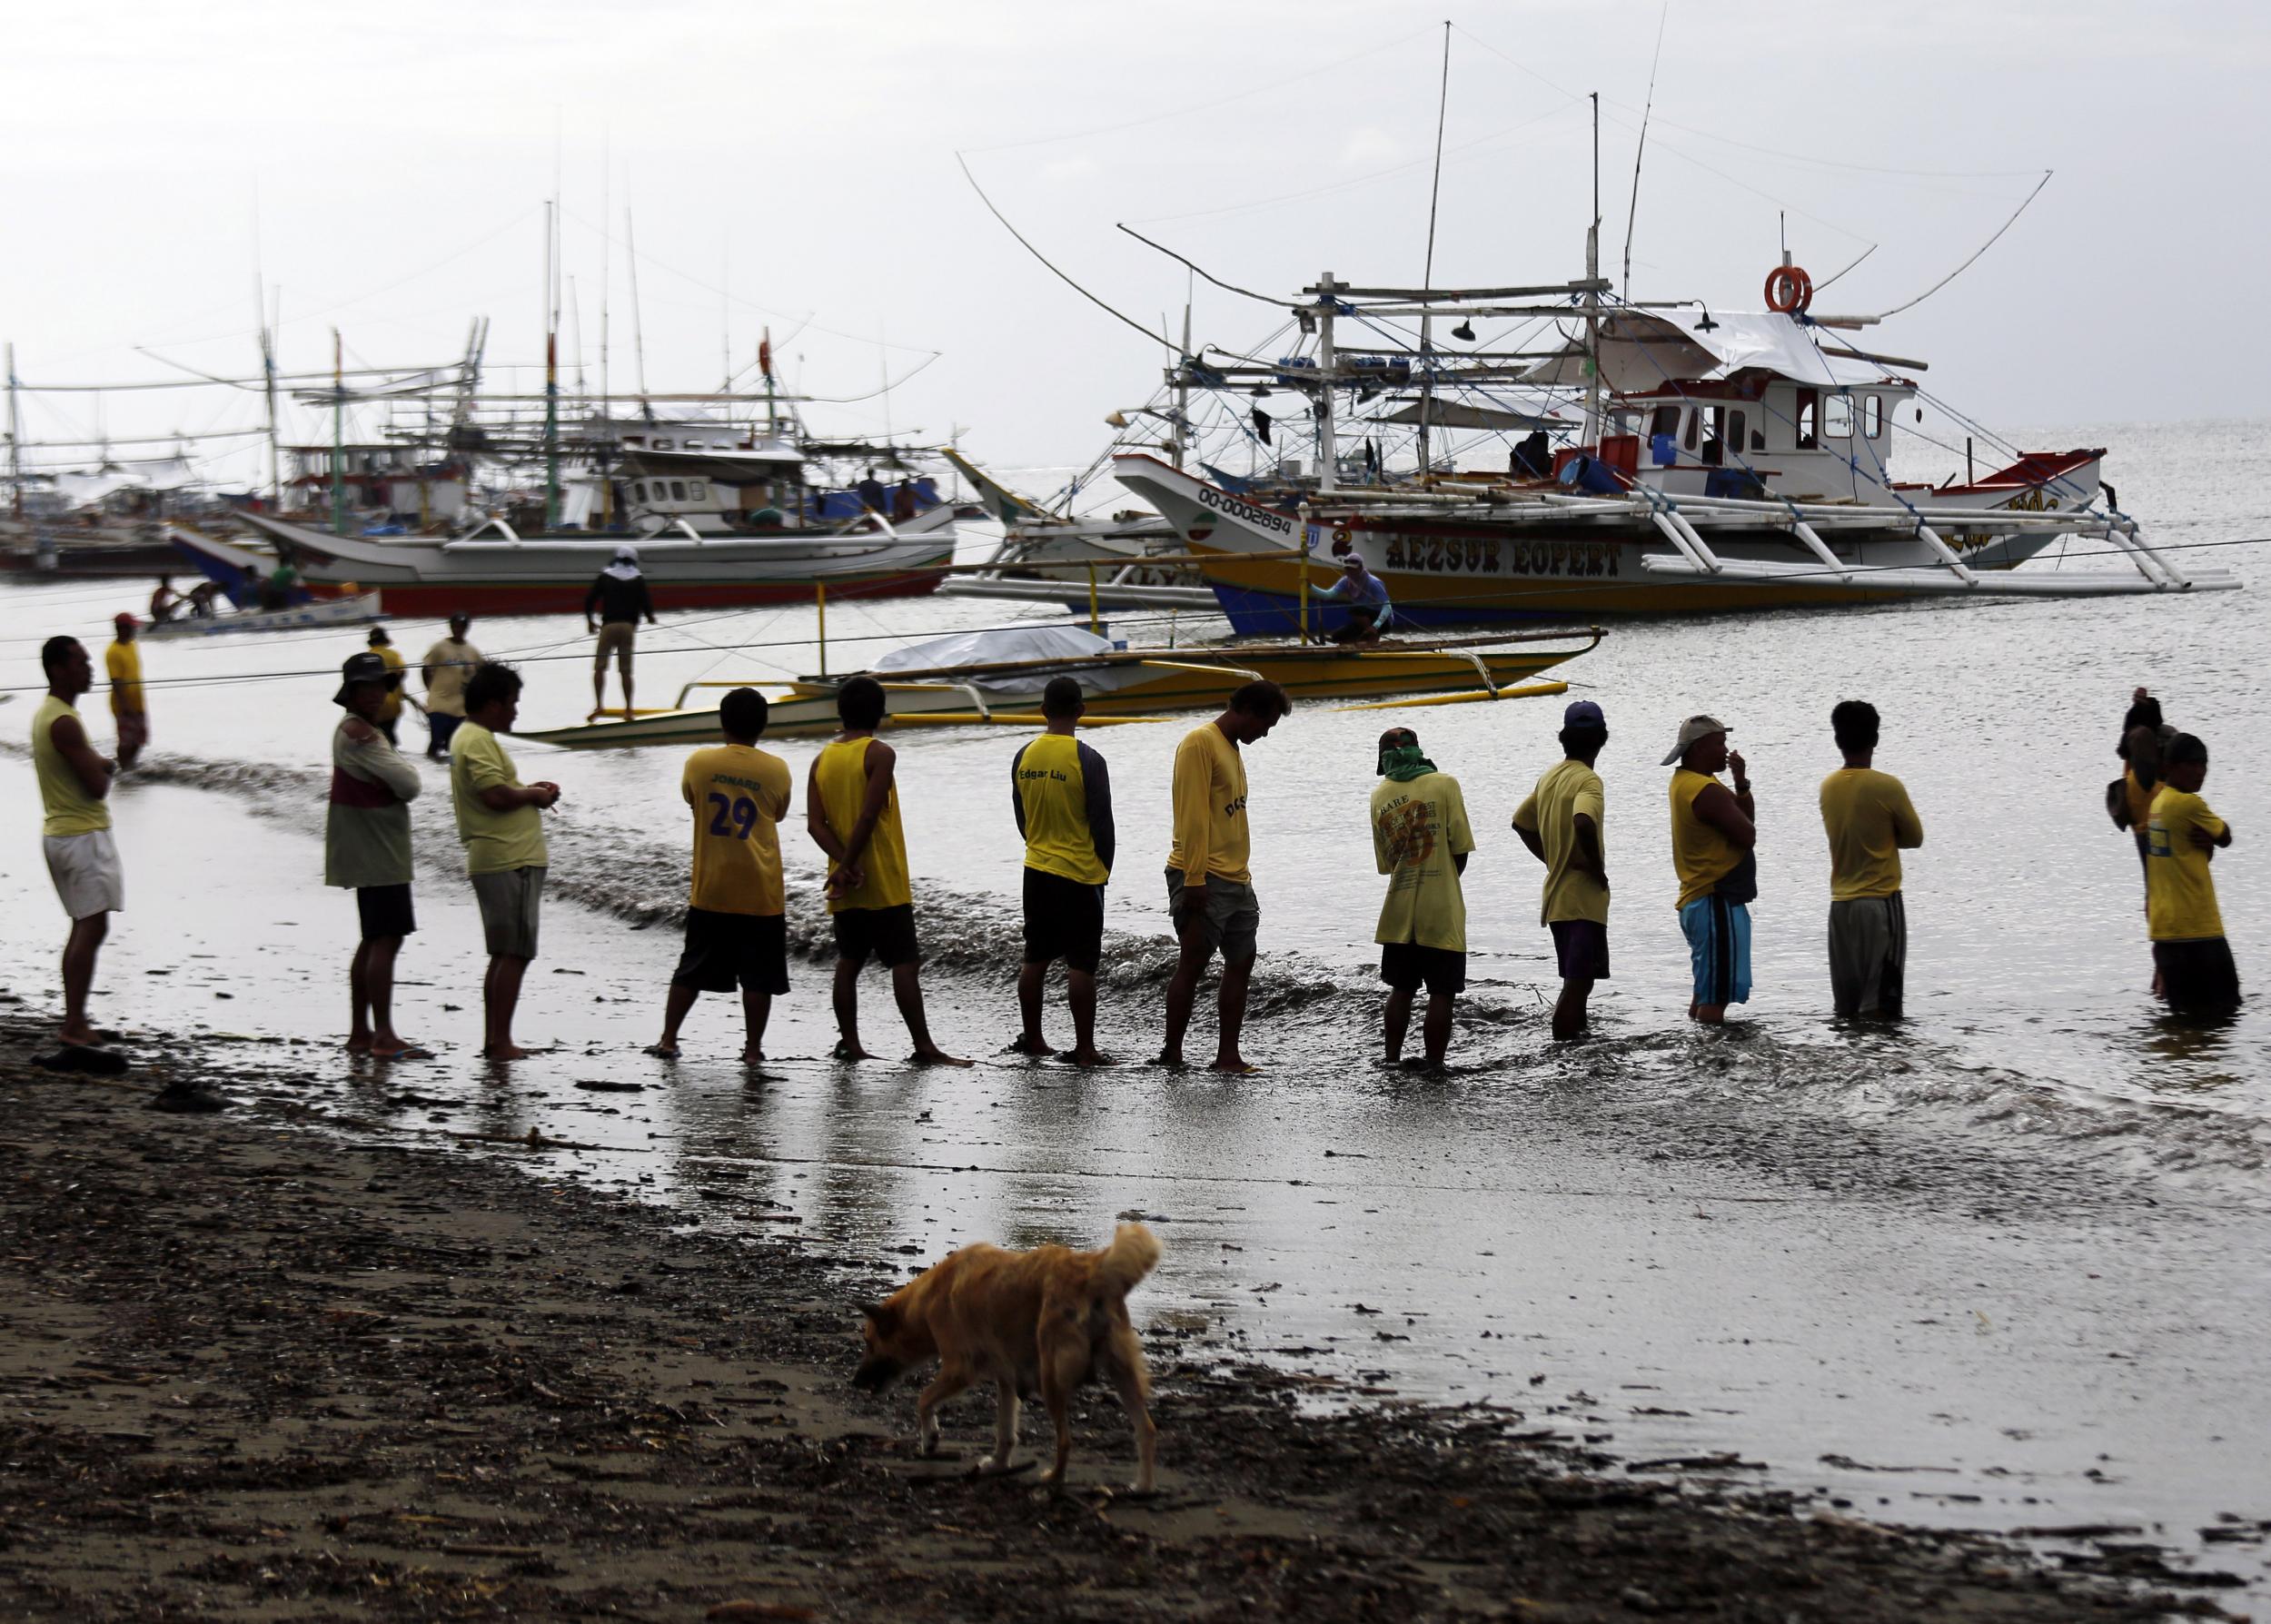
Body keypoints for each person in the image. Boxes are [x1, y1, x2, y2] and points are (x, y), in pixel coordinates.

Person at [806, 676, 967, 1065]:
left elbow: (815, 825)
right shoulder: (880, 753)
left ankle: (850, 1044)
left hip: (844, 883)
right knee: (904, 962)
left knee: (849, 961)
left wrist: (841, 867)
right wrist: (851, 864)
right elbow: (869, 813)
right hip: (880, 878)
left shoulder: (821, 758)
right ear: (880, 712)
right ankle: (924, 1047)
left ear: (840, 712)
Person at [652, 688, 794, 1065]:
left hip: (712, 886)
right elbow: (778, 813)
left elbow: (691, 798)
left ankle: (668, 1039)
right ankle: (752, 1049)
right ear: (763, 724)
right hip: (760, 889)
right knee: (758, 977)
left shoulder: (699, 762)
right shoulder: (776, 768)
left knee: (692, 967)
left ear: (722, 721)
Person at [1160, 679, 1292, 1072]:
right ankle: (1173, 1052)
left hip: (1237, 878)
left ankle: (1228, 1056)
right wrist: (1195, 878)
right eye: (1265, 724)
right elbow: (1193, 816)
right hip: (1202, 876)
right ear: (1247, 710)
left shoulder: (1232, 748)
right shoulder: (1199, 743)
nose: (1265, 733)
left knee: (1242, 960)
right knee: (1193, 962)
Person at [450, 662, 561, 1060]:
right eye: (513, 702)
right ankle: (500, 1042)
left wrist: (528, 789)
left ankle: (496, 1039)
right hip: (508, 857)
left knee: (504, 953)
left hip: (495, 855)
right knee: (514, 953)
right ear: (494, 703)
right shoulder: (477, 738)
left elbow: (495, 789)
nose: (516, 711)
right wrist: (533, 796)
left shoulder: (468, 736)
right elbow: (493, 796)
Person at [326, 651, 429, 1060]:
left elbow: (399, 783)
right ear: (351, 692)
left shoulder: (357, 729)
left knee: (373, 939)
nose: (375, 694)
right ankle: (383, 1034)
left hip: (367, 846)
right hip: (377, 850)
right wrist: (396, 780)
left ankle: (360, 1033)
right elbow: (409, 783)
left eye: (379, 686)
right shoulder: (359, 733)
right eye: (365, 687)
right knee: (386, 938)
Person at [1009, 676, 1116, 1065]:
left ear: (1043, 711)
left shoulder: (1024, 755)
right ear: (1081, 711)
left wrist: (1039, 844)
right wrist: (1104, 869)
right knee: (1081, 963)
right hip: (1080, 873)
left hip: (1036, 869)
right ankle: (1084, 1048)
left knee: (1034, 957)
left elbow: (1021, 818)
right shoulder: (1089, 760)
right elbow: (1102, 824)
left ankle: (1034, 1039)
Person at [1368, 727, 1475, 1068]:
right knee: (1442, 992)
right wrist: (1441, 879)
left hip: (1399, 907)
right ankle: (1434, 1063)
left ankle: (1391, 1059)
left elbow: (1387, 864)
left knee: (1402, 988)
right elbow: (1460, 849)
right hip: (1441, 906)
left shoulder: (1378, 796)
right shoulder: (1445, 784)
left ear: (1384, 760)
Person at [1818, 700, 1925, 1020]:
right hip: (1880, 904)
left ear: (1837, 740)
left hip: (1840, 907)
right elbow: (1914, 838)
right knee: (1882, 1007)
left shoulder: (1828, 787)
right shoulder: (1888, 786)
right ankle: (1884, 1067)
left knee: (1847, 1011)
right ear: (1875, 738)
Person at [1512, 699, 1611, 1041]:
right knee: (1578, 983)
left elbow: (1521, 823)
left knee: (1578, 982)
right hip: (1583, 899)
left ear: (1564, 739)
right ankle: (1564, 1050)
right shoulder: (1589, 781)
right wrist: (1596, 870)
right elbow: (1583, 821)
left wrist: (1553, 859)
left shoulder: (1550, 777)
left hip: (1556, 899)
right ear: (1603, 739)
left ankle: (1578, 1051)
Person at [1663, 714, 1758, 1025]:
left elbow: (1743, 819)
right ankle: (1713, 1066)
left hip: (1700, 901)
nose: (1725, 750)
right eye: (1720, 744)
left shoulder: (1688, 781)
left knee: (1706, 991)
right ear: (1700, 747)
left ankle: (1699, 1056)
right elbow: (1747, 835)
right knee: (1714, 1000)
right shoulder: (1706, 791)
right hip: (1714, 900)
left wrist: (1741, 784)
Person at [2146, 734, 2240, 1018]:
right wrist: (2214, 840)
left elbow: (2185, 857)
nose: (2200, 772)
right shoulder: (2190, 804)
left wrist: (2207, 847)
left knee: (2184, 1021)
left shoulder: (2157, 807)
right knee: (2226, 1015)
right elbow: (2224, 835)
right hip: (2198, 930)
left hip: (2166, 934)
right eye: (2193, 765)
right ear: (2171, 766)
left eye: (2204, 765)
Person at [584, 545, 658, 719]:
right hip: (628, 628)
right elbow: (646, 603)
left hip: (608, 626)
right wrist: (650, 617)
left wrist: (590, 621)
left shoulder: (605, 576)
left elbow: (589, 600)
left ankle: (599, 706)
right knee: (626, 671)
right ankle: (628, 710)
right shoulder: (638, 578)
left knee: (600, 669)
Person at [421, 613, 481, 760]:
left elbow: (481, 675)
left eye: (461, 627)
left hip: (461, 708)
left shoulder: (473, 651)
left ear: (466, 628)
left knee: (454, 747)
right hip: (439, 704)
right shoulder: (439, 647)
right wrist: (431, 689)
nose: (457, 629)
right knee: (435, 742)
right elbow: (425, 669)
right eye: (455, 626)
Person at [1313, 555, 1393, 644]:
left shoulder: (1373, 582)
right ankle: (1362, 640)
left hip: (1383, 622)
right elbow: (1328, 595)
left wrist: (1375, 626)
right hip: (1364, 618)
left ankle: (1372, 636)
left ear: (1361, 568)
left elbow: (1387, 608)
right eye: (1347, 569)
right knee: (1336, 637)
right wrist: (1310, 586)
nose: (1350, 572)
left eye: (1353, 569)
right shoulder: (1345, 581)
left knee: (1355, 610)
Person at [104, 613, 148, 771]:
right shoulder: (113, 652)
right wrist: (126, 706)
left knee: (140, 739)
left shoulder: (132, 644)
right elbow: (116, 683)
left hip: (138, 701)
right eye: (131, 627)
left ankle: (129, 765)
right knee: (126, 741)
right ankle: (124, 769)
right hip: (123, 704)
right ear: (121, 629)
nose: (134, 630)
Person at [367, 625, 408, 746]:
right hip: (394, 705)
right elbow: (403, 672)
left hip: (375, 705)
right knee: (388, 735)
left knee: (379, 740)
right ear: (385, 641)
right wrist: (394, 686)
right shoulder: (394, 655)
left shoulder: (366, 658)